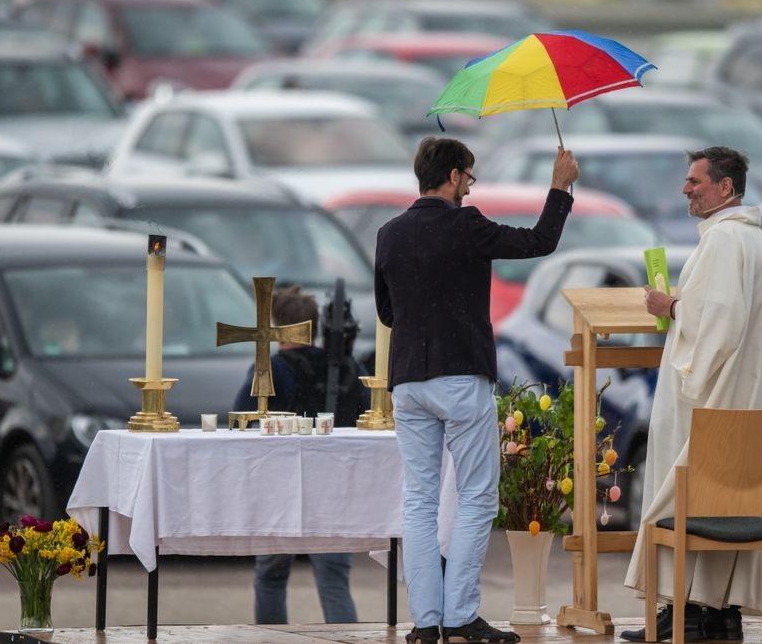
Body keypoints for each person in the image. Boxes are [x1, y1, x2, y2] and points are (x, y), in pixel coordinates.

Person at [375, 137, 579, 644]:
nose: (472, 184)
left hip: (407, 381)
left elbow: (386, 314)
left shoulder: (389, 233)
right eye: (470, 175)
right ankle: (461, 615)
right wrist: (560, 186)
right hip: (461, 376)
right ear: (452, 176)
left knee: (419, 500)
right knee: (477, 498)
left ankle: (425, 623)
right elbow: (538, 243)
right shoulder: (466, 225)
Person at [621, 146, 762, 643]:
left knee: (684, 501)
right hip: (738, 403)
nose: (686, 189)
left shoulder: (726, 241)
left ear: (725, 188)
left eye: (695, 181)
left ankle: (685, 610)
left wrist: (671, 306)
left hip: (707, 403)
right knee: (725, 505)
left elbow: (721, 323)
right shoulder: (754, 241)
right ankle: (717, 612)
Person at [232, 285, 368, 625]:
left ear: (278, 327)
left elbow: (242, 418)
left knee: (271, 577)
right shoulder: (346, 368)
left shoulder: (273, 369)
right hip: (335, 488)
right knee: (334, 583)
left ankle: (272, 638)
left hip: (279, 487)